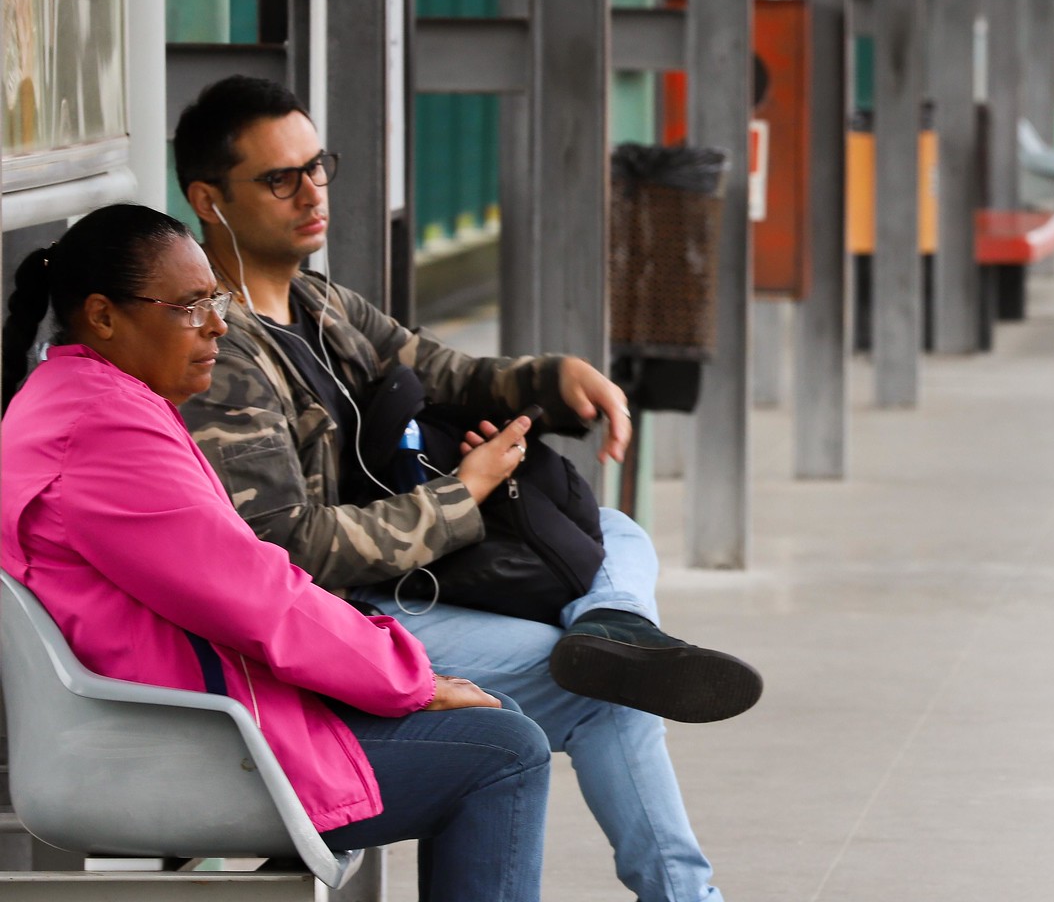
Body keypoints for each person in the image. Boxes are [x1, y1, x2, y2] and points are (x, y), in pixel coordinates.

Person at [172, 77, 756, 902]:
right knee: (605, 692)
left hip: (411, 572)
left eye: (318, 166)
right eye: (280, 179)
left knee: (617, 532)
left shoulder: (319, 304)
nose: (312, 193)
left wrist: (553, 379)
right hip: (346, 617)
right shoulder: (220, 353)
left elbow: (444, 372)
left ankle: (613, 623)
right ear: (209, 200)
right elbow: (287, 548)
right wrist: (462, 495)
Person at [0, 205, 552, 902]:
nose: (217, 326)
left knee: (494, 720)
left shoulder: (73, 400)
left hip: (168, 718)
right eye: (190, 307)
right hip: (185, 741)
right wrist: (409, 678)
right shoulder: (105, 431)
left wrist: (405, 677)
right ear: (104, 317)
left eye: (216, 301)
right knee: (506, 753)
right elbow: (254, 596)